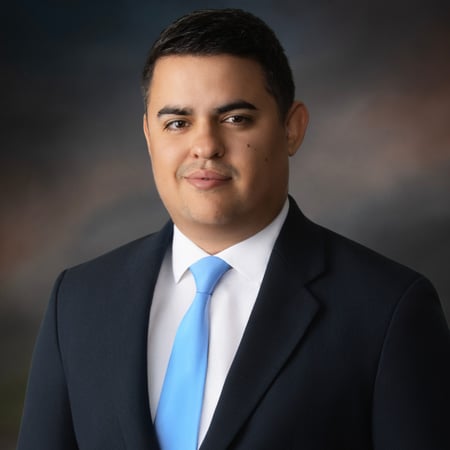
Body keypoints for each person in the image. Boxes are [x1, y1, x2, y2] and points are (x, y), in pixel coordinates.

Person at [17, 8, 449, 450]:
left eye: (235, 118)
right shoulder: (78, 301)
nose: (205, 146)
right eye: (178, 123)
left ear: (292, 128)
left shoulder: (388, 310)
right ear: (148, 135)